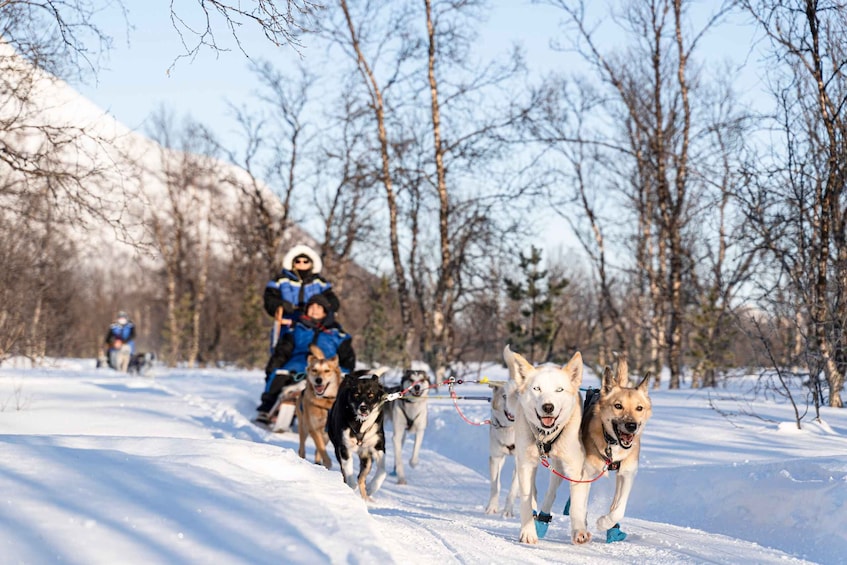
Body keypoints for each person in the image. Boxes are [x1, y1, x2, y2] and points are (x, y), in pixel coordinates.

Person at [256, 293, 355, 425]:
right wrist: (273, 368)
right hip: (299, 363)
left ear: (325, 311)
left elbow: (347, 356)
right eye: (311, 306)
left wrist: (347, 372)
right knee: (280, 374)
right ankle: (269, 408)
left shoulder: (338, 334)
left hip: (328, 366)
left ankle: (341, 416)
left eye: (319, 307)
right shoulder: (296, 328)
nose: (314, 309)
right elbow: (282, 351)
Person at [263, 244, 340, 345]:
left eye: (305, 261)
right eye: (298, 261)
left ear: (311, 263)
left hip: (313, 321)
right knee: (283, 349)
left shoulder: (319, 282)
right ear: (292, 263)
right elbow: (269, 298)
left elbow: (332, 299)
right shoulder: (281, 280)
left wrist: (325, 308)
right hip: (288, 320)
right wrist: (280, 305)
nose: (301, 264)